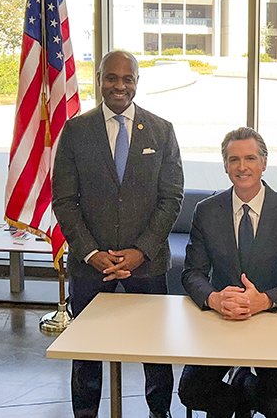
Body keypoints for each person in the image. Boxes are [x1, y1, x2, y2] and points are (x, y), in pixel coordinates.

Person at [53, 50, 184, 418]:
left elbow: (171, 197)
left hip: (147, 264)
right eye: (112, 77)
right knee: (87, 352)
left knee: (155, 349)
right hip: (90, 266)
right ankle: (85, 414)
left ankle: (160, 412)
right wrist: (91, 253)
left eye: (128, 79)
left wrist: (141, 250)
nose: (119, 86)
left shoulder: (161, 130)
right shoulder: (76, 131)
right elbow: (64, 200)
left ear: (137, 83)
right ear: (99, 79)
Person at [179, 127, 277, 418]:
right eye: (234, 159)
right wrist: (214, 299)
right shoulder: (206, 210)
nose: (242, 167)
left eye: (250, 158)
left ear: (264, 163)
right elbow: (192, 273)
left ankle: (242, 381)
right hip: (221, 319)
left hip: (273, 320)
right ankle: (238, 400)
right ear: (225, 166)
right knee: (190, 392)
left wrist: (263, 301)